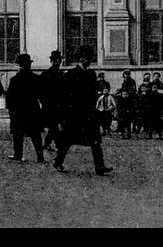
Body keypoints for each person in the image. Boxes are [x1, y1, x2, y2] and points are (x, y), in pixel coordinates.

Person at [52, 46, 112, 175]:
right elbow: (63, 97)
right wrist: (64, 115)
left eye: (90, 58)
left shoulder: (91, 74)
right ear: (81, 59)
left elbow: (92, 93)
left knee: (95, 141)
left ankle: (99, 167)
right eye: (86, 58)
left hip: (89, 114)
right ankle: (58, 162)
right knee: (67, 140)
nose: (89, 61)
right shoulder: (70, 75)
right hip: (74, 115)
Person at [6, 53, 46, 163]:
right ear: (29, 65)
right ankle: (40, 156)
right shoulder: (36, 78)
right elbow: (42, 96)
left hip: (18, 111)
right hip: (33, 110)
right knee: (35, 134)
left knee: (18, 134)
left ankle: (17, 154)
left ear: (20, 65)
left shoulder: (14, 79)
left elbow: (9, 97)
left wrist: (11, 110)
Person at [40, 51, 64, 150]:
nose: (56, 62)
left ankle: (47, 143)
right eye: (54, 60)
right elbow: (40, 90)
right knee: (54, 126)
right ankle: (59, 145)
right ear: (51, 61)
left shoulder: (63, 75)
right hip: (49, 105)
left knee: (54, 126)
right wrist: (44, 102)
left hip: (60, 105)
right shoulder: (45, 74)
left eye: (58, 60)